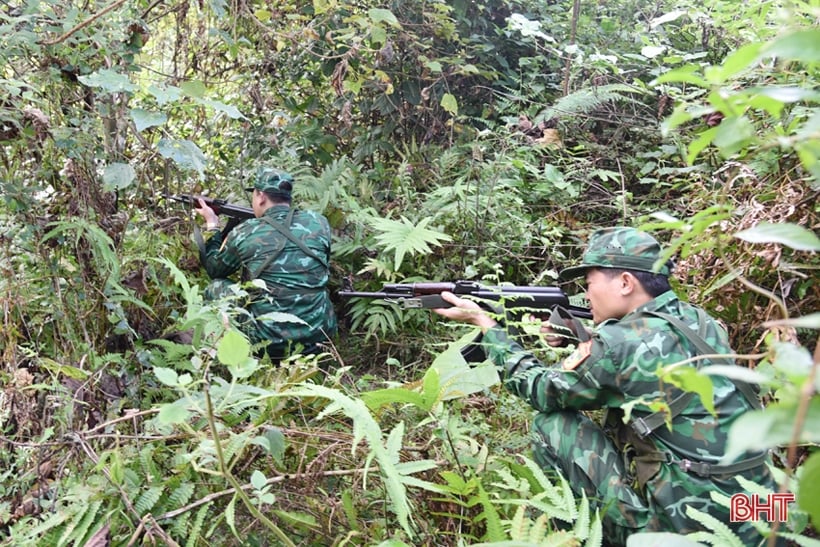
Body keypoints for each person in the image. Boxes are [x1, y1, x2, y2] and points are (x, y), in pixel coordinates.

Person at [433, 227, 777, 545]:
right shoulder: (702, 321)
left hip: (689, 527)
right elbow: (641, 365)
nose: (586, 293)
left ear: (625, 282)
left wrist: (487, 326)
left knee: (553, 424)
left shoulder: (618, 343)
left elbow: (540, 389)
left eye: (590, 283)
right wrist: (579, 337)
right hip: (763, 513)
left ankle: (579, 535)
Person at [194, 166, 337, 362]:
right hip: (318, 334)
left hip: (267, 339)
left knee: (216, 287)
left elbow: (214, 269)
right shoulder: (319, 222)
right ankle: (314, 350)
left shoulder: (246, 231)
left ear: (260, 196)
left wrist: (212, 225)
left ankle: (229, 356)